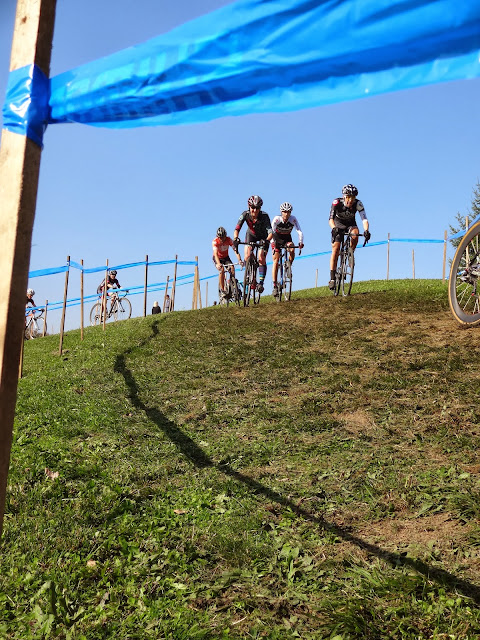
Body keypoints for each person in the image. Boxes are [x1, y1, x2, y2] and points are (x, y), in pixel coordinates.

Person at [328, 184, 371, 289]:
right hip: (338, 225)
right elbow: (330, 219)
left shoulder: (358, 203)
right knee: (336, 249)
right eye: (348, 197)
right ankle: (332, 278)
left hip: (350, 225)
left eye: (353, 197)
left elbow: (364, 219)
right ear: (344, 196)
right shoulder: (336, 202)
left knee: (355, 233)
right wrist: (334, 228)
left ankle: (350, 252)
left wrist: (366, 230)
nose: (350, 200)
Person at [233, 195, 272, 293]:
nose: (255, 210)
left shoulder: (264, 216)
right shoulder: (245, 214)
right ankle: (252, 276)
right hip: (251, 235)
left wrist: (266, 240)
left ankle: (261, 283)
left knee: (261, 257)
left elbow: (271, 233)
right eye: (253, 208)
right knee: (247, 255)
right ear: (249, 207)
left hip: (263, 237)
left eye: (257, 208)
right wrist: (236, 238)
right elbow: (237, 229)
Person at [268, 202, 304, 296]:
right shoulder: (277, 219)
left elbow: (299, 231)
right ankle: (275, 286)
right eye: (284, 212)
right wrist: (272, 243)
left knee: (292, 249)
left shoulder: (293, 219)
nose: (286, 214)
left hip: (287, 239)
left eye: (288, 212)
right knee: (276, 261)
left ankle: (288, 266)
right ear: (281, 212)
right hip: (276, 239)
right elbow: (271, 232)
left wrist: (300, 242)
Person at [212, 226, 244, 300]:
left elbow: (235, 250)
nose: (222, 239)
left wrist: (239, 259)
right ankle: (223, 290)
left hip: (226, 257)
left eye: (223, 237)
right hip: (217, 258)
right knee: (222, 270)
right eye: (220, 238)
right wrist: (218, 264)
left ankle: (232, 284)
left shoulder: (228, 239)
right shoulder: (215, 241)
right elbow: (215, 254)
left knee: (232, 268)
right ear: (218, 237)